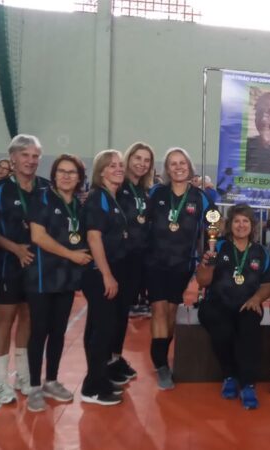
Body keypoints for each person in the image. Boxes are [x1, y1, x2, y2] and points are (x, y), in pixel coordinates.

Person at [24, 154, 92, 412]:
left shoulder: (79, 204)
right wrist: (72, 255)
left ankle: (51, 380)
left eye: (72, 172)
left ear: (79, 178)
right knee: (39, 331)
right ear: (54, 175)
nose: (66, 176)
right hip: (41, 277)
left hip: (66, 278)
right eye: (61, 171)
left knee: (58, 332)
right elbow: (38, 236)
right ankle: (33, 387)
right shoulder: (41, 198)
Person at [145, 147, 214, 390]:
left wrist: (212, 249)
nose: (178, 167)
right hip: (155, 262)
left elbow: (213, 226)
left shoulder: (200, 197)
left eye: (182, 162)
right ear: (167, 169)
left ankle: (163, 353)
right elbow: (143, 221)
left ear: (189, 166)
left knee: (172, 311)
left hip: (182, 264)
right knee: (159, 309)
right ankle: (161, 364)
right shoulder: (157, 192)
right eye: (172, 164)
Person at [0, 134, 49, 404]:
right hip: (7, 266)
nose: (31, 161)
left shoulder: (46, 188)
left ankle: (23, 375)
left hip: (37, 267)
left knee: (29, 318)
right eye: (25, 155)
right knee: (5, 319)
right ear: (12, 158)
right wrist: (15, 249)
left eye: (35, 156)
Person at [196, 204, 270, 410]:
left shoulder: (261, 252)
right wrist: (207, 265)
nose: (241, 225)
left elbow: (267, 285)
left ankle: (248, 384)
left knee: (250, 331)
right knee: (223, 330)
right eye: (237, 221)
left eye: (245, 221)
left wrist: (257, 299)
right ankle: (230, 376)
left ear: (252, 225)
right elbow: (203, 282)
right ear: (230, 224)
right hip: (217, 303)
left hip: (247, 304)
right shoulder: (218, 246)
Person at [80, 149, 130, 406]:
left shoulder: (112, 198)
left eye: (120, 165)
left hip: (108, 270)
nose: (119, 168)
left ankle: (98, 377)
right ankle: (92, 387)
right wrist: (107, 275)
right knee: (101, 329)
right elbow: (93, 237)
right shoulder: (98, 198)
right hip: (99, 273)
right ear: (101, 171)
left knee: (101, 327)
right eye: (112, 165)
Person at [107, 142, 154, 385]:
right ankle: (104, 363)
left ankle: (115, 358)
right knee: (110, 314)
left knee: (122, 312)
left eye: (146, 160)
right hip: (117, 259)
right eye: (137, 158)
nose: (141, 163)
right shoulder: (117, 186)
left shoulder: (145, 191)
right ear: (128, 158)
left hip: (136, 261)